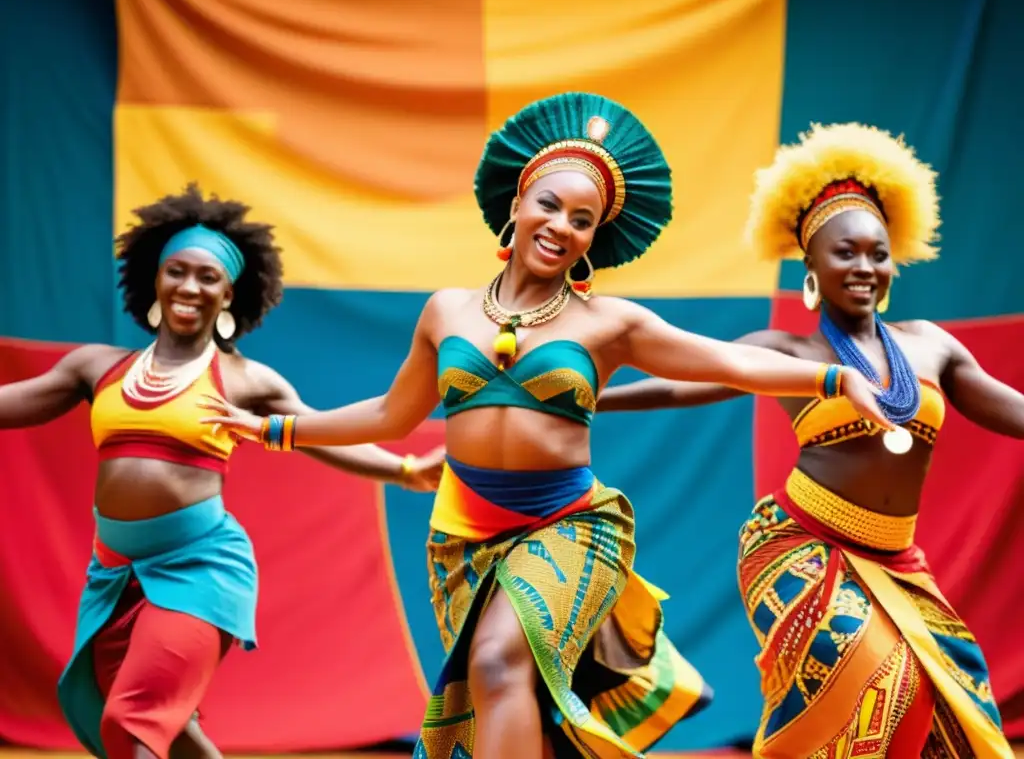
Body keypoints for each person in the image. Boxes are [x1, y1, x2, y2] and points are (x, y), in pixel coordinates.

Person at [200, 94, 892, 759]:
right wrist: (278, 432)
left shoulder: (609, 323)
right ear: (517, 208)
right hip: (463, 537)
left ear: (595, 238)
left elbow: (732, 364)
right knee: (508, 693)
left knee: (502, 663)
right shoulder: (447, 312)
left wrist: (833, 378)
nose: (562, 225)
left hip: (567, 526)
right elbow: (390, 415)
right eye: (550, 205)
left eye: (583, 219)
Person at [597, 122, 1020, 757]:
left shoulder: (931, 344)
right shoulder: (789, 352)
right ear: (811, 266)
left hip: (896, 561)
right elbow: (682, 386)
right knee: (868, 664)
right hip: (800, 546)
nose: (864, 266)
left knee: (954, 701)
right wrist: (586, 398)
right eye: (844, 252)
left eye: (877, 253)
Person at [0, 183, 446, 759]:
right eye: (177, 272)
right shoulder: (97, 367)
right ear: (154, 281)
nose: (189, 287)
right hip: (114, 576)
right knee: (173, 730)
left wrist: (403, 468)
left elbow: (318, 433)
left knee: (133, 720)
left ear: (229, 295)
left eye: (207, 278)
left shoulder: (246, 380)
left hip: (199, 570)